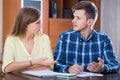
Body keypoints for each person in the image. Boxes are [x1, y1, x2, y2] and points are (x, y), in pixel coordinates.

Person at [54, 1, 119, 74]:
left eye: (78, 18)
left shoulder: (104, 39)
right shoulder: (65, 37)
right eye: (74, 17)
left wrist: (102, 68)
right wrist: (68, 69)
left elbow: (115, 65)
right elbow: (55, 65)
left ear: (89, 22)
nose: (73, 21)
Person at [2, 7, 56, 73]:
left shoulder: (44, 38)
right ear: (26, 26)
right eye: (37, 23)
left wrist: (20, 70)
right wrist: (34, 62)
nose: (41, 26)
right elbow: (7, 68)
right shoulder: (11, 40)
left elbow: (49, 67)